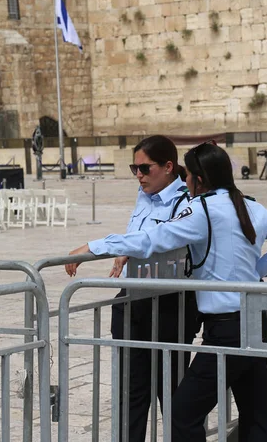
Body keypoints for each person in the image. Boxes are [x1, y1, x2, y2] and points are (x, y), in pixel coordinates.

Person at [66, 141, 267, 441]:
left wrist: (93, 246)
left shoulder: (202, 211)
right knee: (257, 414)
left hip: (227, 329)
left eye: (188, 175)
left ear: (199, 179)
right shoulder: (251, 206)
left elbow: (152, 239)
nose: (185, 181)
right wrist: (256, 271)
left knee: (182, 410)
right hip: (255, 322)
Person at [67, 135, 199, 442]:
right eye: (133, 168)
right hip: (134, 301)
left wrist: (100, 246)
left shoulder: (186, 202)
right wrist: (127, 250)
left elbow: (156, 239)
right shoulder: (146, 195)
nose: (138, 175)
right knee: (132, 392)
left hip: (169, 305)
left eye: (144, 168)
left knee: (173, 391)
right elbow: (139, 237)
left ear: (168, 167)